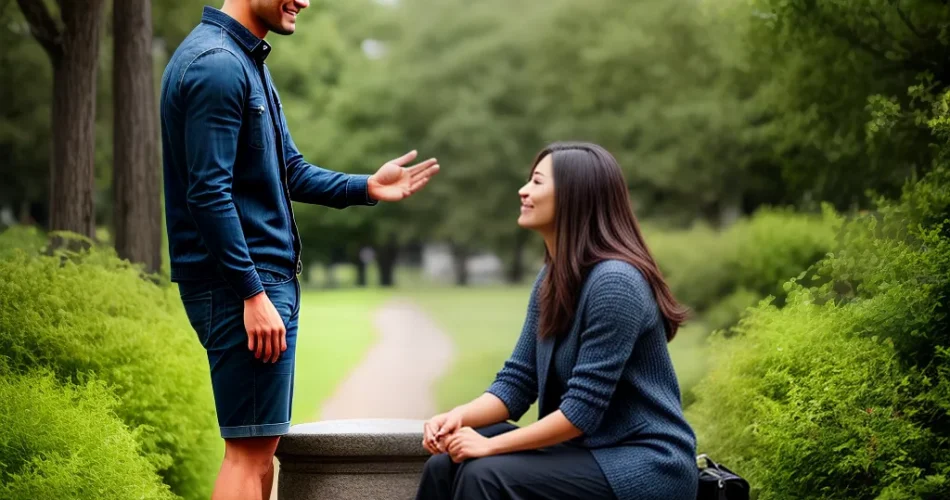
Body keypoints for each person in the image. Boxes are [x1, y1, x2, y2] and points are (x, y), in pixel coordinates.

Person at [160, 2, 439, 499]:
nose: (304, 1)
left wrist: (367, 186)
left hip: (257, 285)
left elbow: (289, 169)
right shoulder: (218, 64)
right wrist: (251, 293)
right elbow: (208, 193)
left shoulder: (245, 62)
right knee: (246, 456)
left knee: (259, 449)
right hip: (244, 288)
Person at [416, 142, 697, 500]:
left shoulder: (615, 283)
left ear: (575, 195)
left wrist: (490, 447)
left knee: (486, 474)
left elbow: (580, 413)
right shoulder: (553, 277)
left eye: (536, 182)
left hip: (645, 463)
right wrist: (458, 416)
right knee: (445, 464)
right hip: (586, 451)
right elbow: (517, 383)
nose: (523, 190)